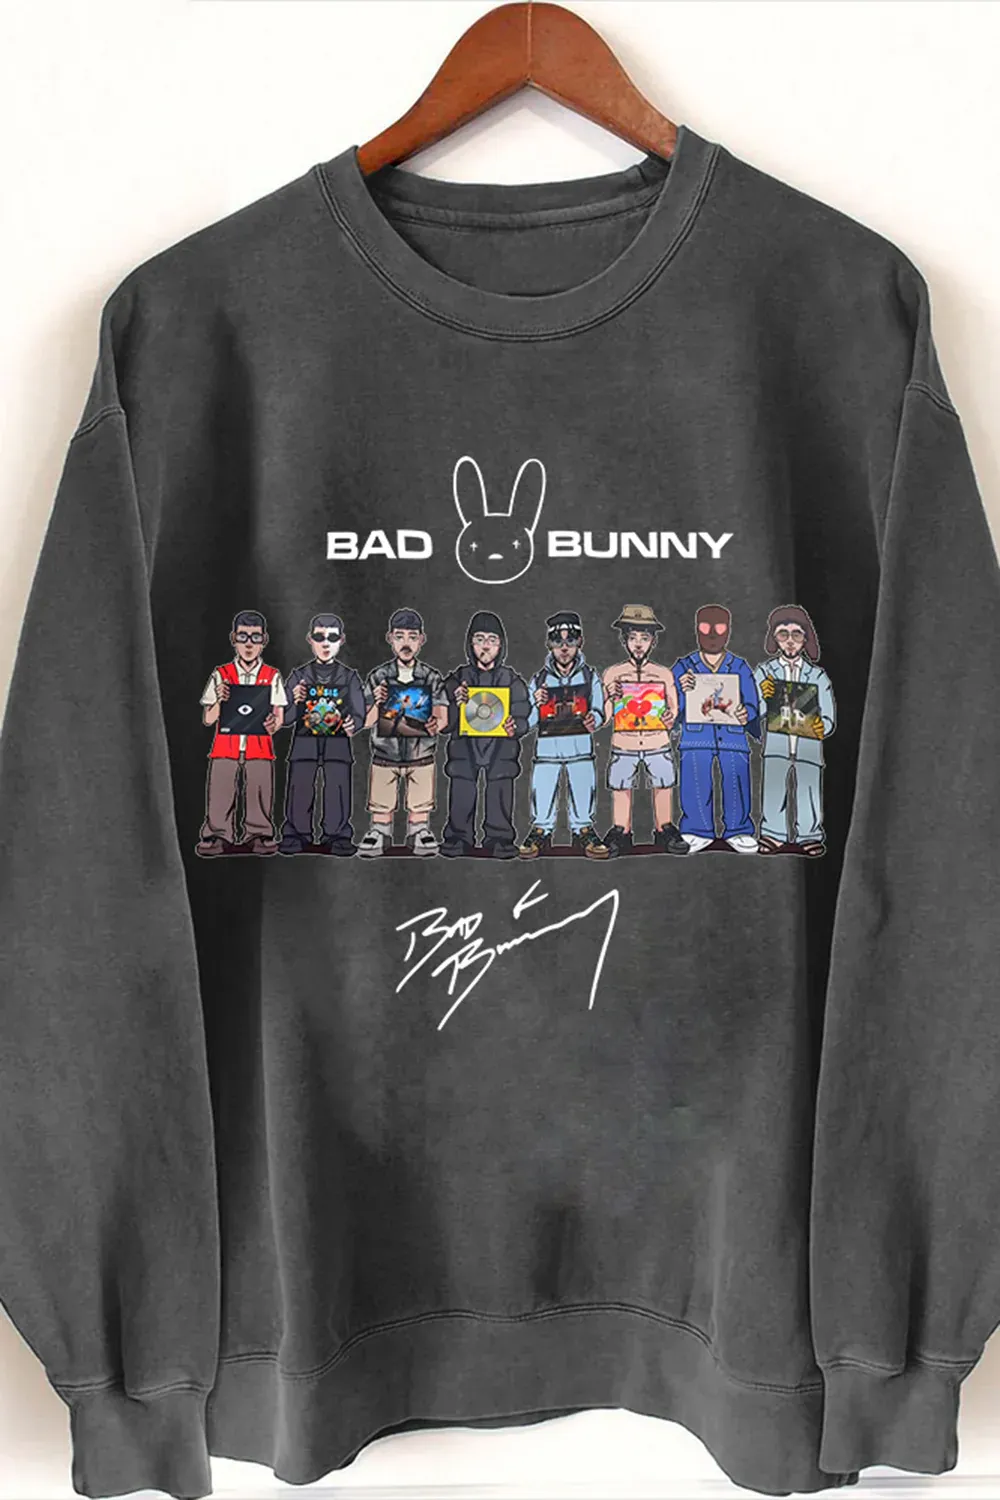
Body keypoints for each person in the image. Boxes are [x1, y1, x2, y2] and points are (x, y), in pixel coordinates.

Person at [358, 608, 449, 858]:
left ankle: (419, 829)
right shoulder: (378, 677)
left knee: (420, 797)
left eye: (412, 637)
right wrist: (376, 702)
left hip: (421, 753)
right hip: (385, 752)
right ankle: (380, 830)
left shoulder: (431, 677)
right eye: (399, 636)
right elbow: (365, 721)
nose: (406, 643)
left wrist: (435, 725)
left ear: (422, 640)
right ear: (390, 638)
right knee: (382, 797)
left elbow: (442, 717)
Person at [441, 610, 530, 858]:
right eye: (479, 639)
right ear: (470, 644)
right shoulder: (457, 679)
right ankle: (458, 836)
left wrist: (515, 727)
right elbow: (442, 720)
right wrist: (454, 702)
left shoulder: (511, 680)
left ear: (501, 645)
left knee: (500, 787)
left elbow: (523, 713)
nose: (486, 646)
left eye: (492, 640)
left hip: (501, 746)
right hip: (465, 745)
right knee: (462, 787)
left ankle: (499, 837)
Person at [672, 604, 761, 854]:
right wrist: (681, 690)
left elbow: (752, 702)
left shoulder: (739, 666)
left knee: (736, 777)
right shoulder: (684, 666)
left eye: (719, 628)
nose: (712, 634)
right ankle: (697, 829)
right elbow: (669, 706)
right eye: (705, 627)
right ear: (696, 630)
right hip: (696, 735)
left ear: (728, 631)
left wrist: (747, 714)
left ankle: (738, 829)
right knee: (695, 778)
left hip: (732, 735)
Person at [519, 611, 608, 859]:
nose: (565, 648)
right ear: (549, 644)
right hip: (547, 749)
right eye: (558, 641)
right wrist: (535, 703)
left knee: (583, 786)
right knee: (543, 788)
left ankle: (583, 830)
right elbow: (529, 721)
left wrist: (594, 719)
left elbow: (600, 709)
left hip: (580, 746)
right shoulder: (539, 680)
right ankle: (541, 830)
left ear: (580, 642)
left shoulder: (590, 677)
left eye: (571, 640)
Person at [197, 610, 286, 856]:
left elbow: (278, 716)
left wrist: (273, 724)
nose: (249, 644)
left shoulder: (272, 676)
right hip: (225, 744)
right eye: (243, 636)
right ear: (233, 639)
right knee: (221, 789)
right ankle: (217, 834)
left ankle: (258, 834)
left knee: (259, 788)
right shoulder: (221, 674)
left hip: (259, 744)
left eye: (255, 637)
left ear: (264, 641)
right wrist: (219, 700)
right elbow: (208, 719)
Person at [601, 603, 686, 856]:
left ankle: (664, 828)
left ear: (653, 642)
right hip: (624, 741)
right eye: (633, 637)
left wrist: (669, 717)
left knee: (663, 783)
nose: (638, 644)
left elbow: (673, 710)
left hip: (656, 740)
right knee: (621, 786)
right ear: (624, 640)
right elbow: (604, 717)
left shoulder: (663, 674)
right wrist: (609, 695)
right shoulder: (613, 673)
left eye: (645, 638)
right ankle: (621, 830)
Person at [279, 614, 366, 857]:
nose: (326, 643)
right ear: (310, 640)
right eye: (319, 637)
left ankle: (337, 835)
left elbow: (359, 711)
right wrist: (294, 700)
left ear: (341, 641)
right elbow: (285, 718)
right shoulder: (299, 676)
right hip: (304, 742)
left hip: (337, 743)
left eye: (332, 637)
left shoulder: (349, 677)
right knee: (300, 786)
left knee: (337, 787)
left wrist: (354, 723)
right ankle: (296, 834)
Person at [754, 605, 836, 856]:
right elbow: (754, 712)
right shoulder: (765, 672)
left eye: (796, 634)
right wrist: (763, 697)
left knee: (809, 791)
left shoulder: (817, 675)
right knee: (774, 789)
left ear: (806, 638)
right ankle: (773, 833)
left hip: (808, 746)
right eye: (783, 634)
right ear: (774, 638)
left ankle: (809, 835)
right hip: (777, 744)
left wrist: (823, 726)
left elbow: (828, 715)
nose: (790, 641)